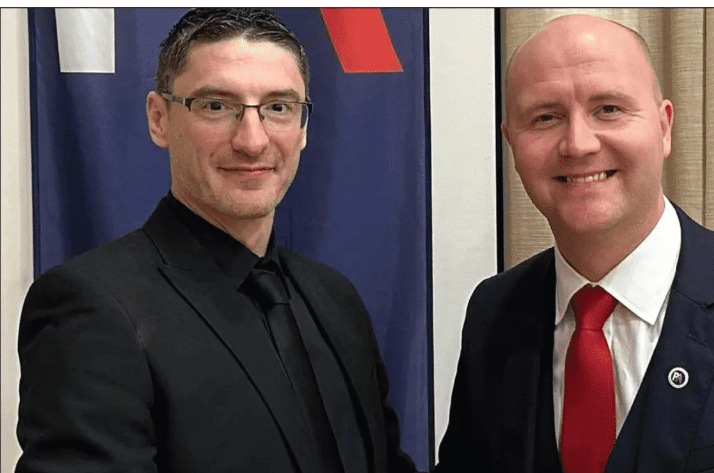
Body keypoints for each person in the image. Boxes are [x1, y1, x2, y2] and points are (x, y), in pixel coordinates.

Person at [16, 8, 418, 473]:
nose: (252, 141)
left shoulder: (336, 300)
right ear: (159, 119)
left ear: (303, 127)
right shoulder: (91, 307)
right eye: (216, 106)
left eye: (278, 107)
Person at [435, 14, 714, 473]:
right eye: (545, 117)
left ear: (664, 128)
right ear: (511, 143)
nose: (578, 144)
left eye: (608, 109)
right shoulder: (493, 314)